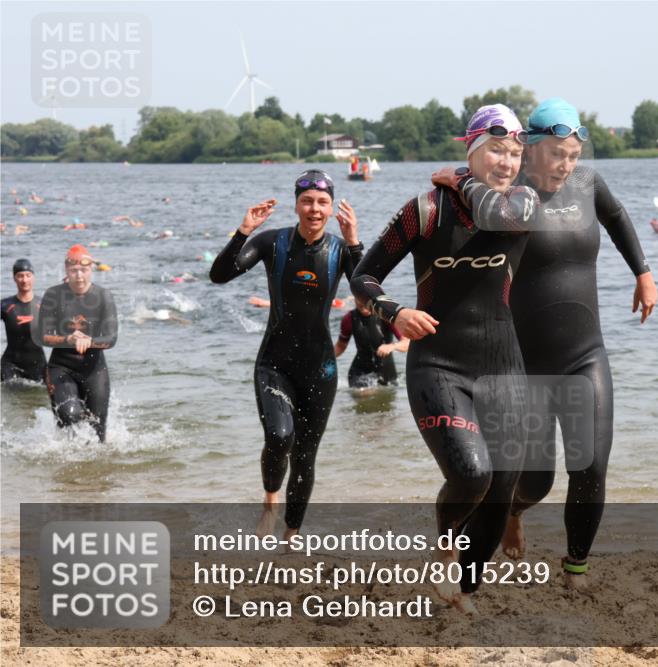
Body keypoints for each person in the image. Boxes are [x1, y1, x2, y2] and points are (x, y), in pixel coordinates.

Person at [433, 97, 658, 589]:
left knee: (592, 465)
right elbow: (458, 260)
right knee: (534, 481)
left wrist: (642, 273)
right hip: (521, 362)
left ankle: (576, 567)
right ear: (528, 148)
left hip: (584, 353)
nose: (565, 164)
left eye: (573, 154)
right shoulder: (506, 198)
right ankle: (506, 517)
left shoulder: (587, 184)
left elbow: (617, 218)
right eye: (556, 153)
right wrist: (460, 179)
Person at [351, 104, 539, 613]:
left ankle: (463, 593)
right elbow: (364, 278)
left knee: (502, 487)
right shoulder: (424, 211)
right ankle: (443, 550)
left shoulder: (523, 204)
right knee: (472, 475)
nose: (506, 161)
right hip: (438, 365)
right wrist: (394, 312)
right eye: (495, 149)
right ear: (473, 148)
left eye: (515, 152)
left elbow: (488, 211)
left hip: (504, 365)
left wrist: (458, 177)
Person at [210, 170, 363, 541]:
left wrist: (355, 242)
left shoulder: (341, 250)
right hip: (274, 363)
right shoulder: (272, 243)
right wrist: (242, 232)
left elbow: (367, 295)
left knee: (306, 457)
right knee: (280, 437)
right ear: (296, 205)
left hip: (320, 368)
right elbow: (219, 275)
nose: (314, 209)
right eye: (307, 201)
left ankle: (291, 536)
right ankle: (269, 502)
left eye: (322, 202)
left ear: (331, 209)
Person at [34, 245, 118, 441]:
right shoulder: (53, 295)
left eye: (84, 270)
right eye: (74, 271)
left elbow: (111, 338)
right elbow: (41, 336)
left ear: (92, 270)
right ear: (66, 270)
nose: (79, 276)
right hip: (61, 367)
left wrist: (89, 341)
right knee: (69, 415)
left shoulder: (103, 296)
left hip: (94, 369)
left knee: (98, 434)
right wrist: (68, 339)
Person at [335, 302, 408, 388]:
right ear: (355, 298)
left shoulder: (386, 316)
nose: (363, 303)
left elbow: (407, 343)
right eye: (360, 299)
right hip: (359, 372)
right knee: (364, 394)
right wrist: (323, 359)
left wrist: (392, 346)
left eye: (366, 299)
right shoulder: (349, 318)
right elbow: (340, 346)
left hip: (386, 372)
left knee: (381, 397)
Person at [2, 258, 46, 383]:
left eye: (28, 275)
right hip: (10, 364)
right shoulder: (5, 305)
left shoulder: (44, 304)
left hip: (38, 364)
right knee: (12, 398)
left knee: (37, 400)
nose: (24, 280)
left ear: (33, 278)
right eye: (20, 276)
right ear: (14, 278)